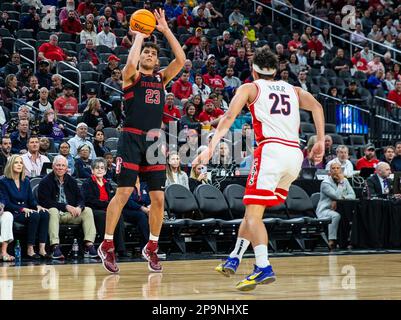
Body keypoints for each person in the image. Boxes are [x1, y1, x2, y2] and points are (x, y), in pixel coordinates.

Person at [192, 47, 325, 291]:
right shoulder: (293, 89)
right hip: (294, 156)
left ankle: (263, 266)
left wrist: (209, 148)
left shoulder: (249, 88)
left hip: (271, 152)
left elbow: (229, 117)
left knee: (253, 215)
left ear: (253, 71)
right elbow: (317, 107)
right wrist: (319, 141)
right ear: (275, 71)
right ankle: (234, 257)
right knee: (254, 211)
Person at [98, 9, 185, 274]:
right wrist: (139, 36)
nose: (149, 55)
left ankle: (152, 247)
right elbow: (128, 67)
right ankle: (107, 245)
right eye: (146, 52)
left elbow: (180, 60)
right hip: (131, 138)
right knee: (124, 192)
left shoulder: (161, 78)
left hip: (155, 142)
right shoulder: (133, 77)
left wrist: (165, 30)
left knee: (159, 199)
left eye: (153, 53)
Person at [37, 155, 97, 260]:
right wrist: (65, 206)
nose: (60, 168)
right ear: (53, 166)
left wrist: (79, 207)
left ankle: (89, 245)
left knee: (87, 210)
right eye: (58, 165)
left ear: (66, 168)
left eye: (63, 166)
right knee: (53, 210)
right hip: (55, 215)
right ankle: (55, 246)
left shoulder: (72, 181)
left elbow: (81, 198)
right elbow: (45, 202)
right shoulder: (45, 181)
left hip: (71, 214)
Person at [0, 155, 50, 259]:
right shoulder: (3, 181)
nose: (19, 165)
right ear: (10, 165)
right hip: (14, 211)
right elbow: (7, 203)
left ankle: (42, 248)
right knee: (34, 216)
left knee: (44, 213)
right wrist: (22, 209)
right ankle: (30, 248)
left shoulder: (26, 181)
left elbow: (31, 200)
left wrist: (38, 206)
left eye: (21, 163)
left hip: (26, 210)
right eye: (16, 162)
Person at [82, 158, 127, 257]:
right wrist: (107, 204)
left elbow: (112, 198)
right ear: (92, 170)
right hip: (94, 210)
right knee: (104, 216)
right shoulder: (87, 183)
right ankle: (106, 248)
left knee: (119, 216)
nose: (99, 170)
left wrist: (110, 206)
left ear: (105, 171)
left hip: (107, 209)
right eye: (97, 168)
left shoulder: (108, 183)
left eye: (102, 168)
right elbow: (89, 200)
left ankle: (120, 249)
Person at [316, 162, 356, 251]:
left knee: (349, 214)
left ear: (341, 170)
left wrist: (343, 197)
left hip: (341, 208)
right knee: (335, 215)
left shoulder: (345, 181)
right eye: (333, 168)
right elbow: (336, 196)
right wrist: (341, 184)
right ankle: (332, 240)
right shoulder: (325, 183)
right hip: (325, 209)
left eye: (338, 168)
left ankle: (347, 240)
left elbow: (353, 195)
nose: (336, 170)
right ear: (329, 171)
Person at [123, 177, 151, 250]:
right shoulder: (126, 184)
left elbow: (148, 200)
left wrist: (150, 208)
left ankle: (153, 245)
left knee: (154, 216)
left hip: (142, 210)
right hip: (127, 210)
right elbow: (129, 202)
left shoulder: (144, 185)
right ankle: (146, 247)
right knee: (141, 216)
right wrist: (142, 208)